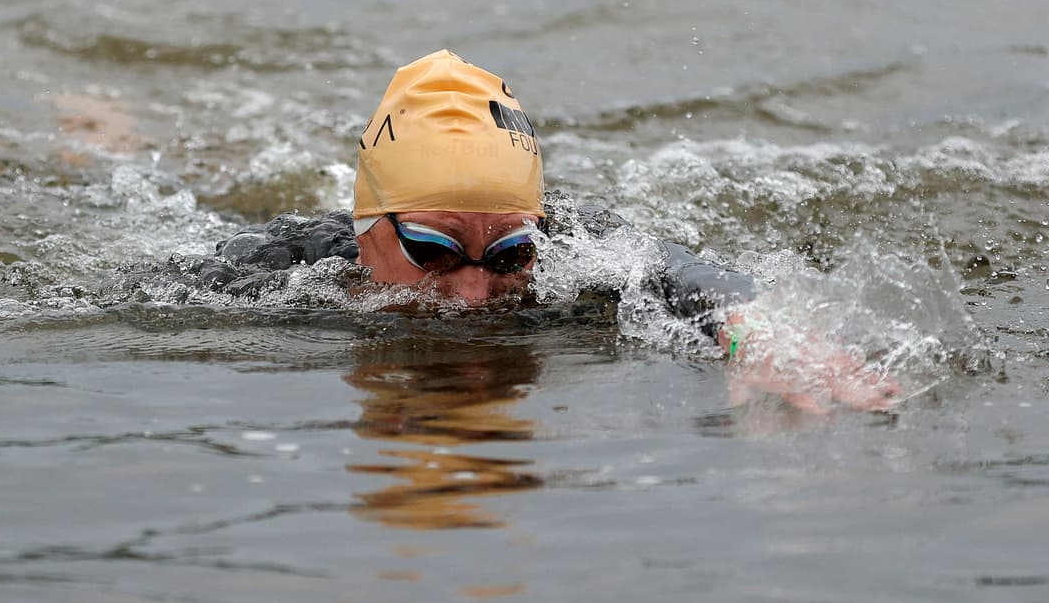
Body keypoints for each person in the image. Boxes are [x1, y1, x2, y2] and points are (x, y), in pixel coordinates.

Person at [137, 50, 898, 412]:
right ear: (368, 231)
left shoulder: (574, 244)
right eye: (433, 252)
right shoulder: (274, 268)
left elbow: (673, 271)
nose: (474, 295)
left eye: (508, 254)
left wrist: (751, 335)